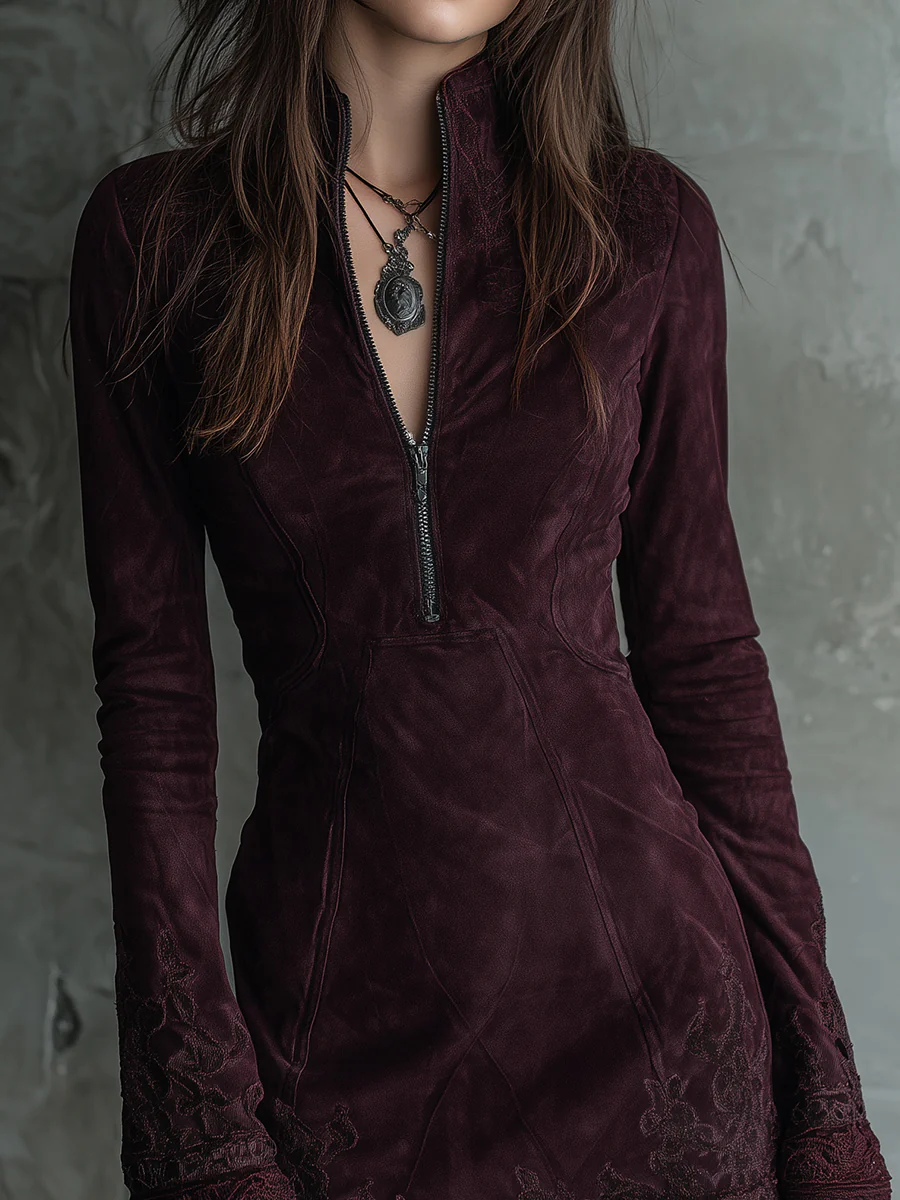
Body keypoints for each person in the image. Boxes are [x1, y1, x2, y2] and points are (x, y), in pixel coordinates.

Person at [66, 2, 892, 1198]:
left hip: (664, 1046)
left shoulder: (646, 228)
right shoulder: (156, 238)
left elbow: (707, 667)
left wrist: (828, 1113)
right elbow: (153, 709)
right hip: (331, 1049)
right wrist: (206, 1135)